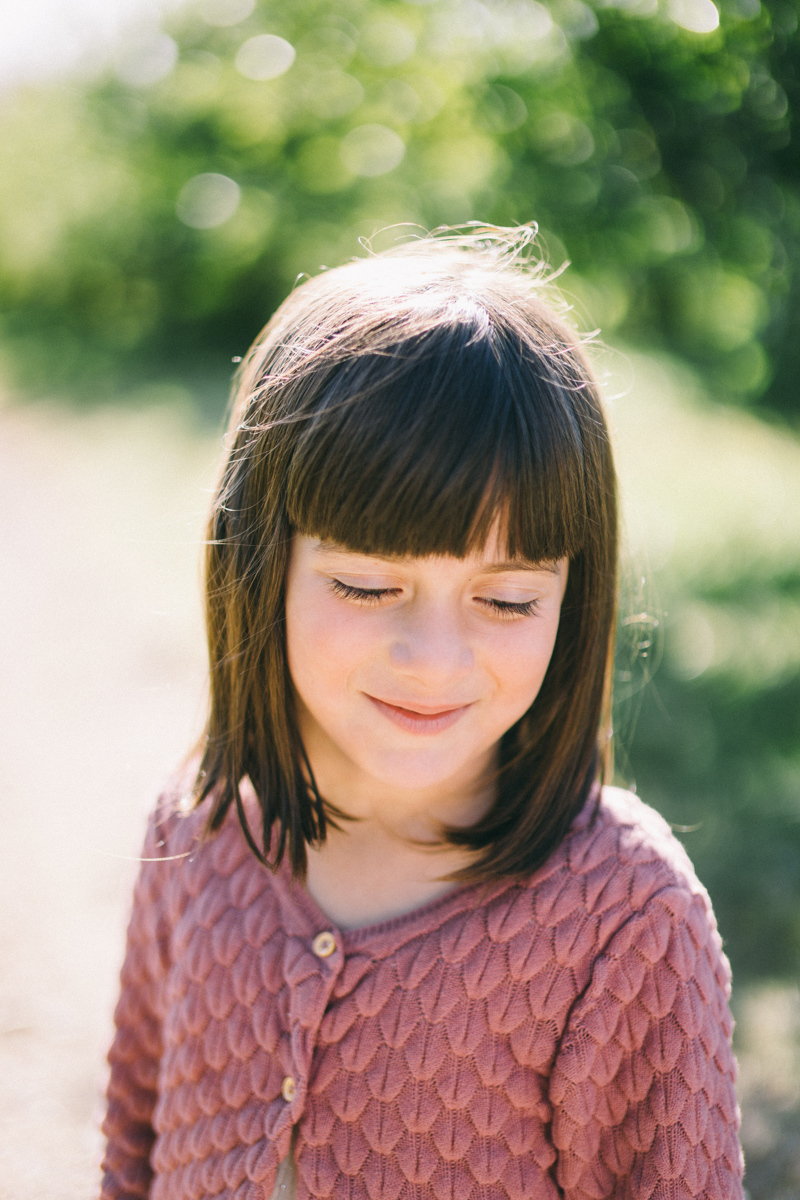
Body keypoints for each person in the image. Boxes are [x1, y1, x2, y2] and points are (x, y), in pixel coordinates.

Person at [100, 228, 744, 1200]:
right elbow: (132, 1154)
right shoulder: (198, 831)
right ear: (256, 561)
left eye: (506, 600)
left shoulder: (623, 917)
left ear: (573, 600)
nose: (433, 659)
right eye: (364, 585)